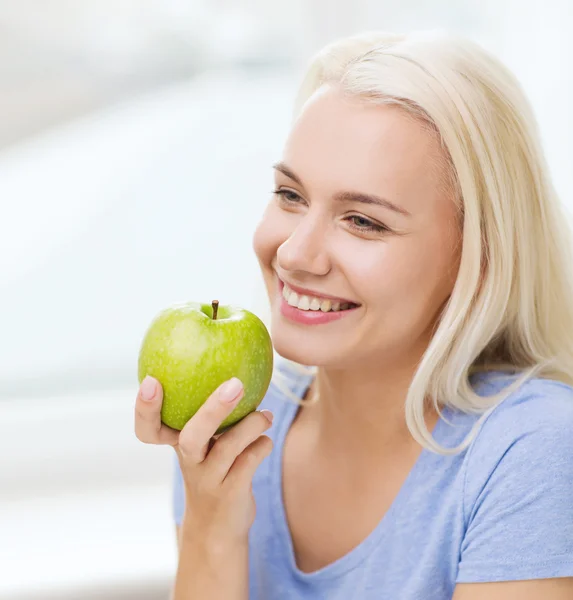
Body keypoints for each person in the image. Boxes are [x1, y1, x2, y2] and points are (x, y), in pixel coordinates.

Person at [134, 31, 573, 599]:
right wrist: (211, 525)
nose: (293, 253)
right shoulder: (236, 416)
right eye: (290, 195)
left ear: (478, 258)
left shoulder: (531, 449)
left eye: (363, 221)